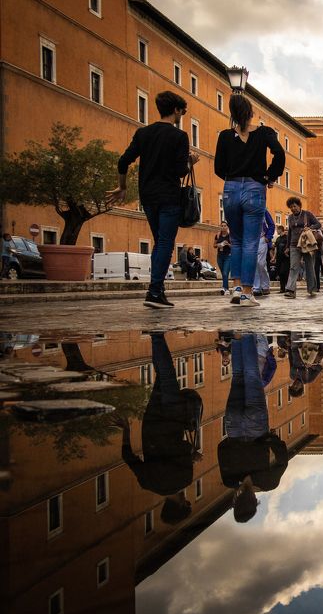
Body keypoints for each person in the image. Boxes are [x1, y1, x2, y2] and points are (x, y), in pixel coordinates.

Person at [109, 90, 197, 309]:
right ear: (176, 110)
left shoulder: (143, 133)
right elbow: (179, 171)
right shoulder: (179, 136)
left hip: (147, 196)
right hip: (168, 196)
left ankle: (157, 291)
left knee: (160, 242)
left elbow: (123, 161)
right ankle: (154, 292)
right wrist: (191, 162)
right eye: (182, 111)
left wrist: (122, 186)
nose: (182, 115)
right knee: (165, 243)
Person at [115, 332, 199, 524]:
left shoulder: (184, 479)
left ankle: (157, 334)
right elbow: (128, 457)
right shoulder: (148, 483)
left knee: (168, 373)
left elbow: (184, 448)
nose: (187, 500)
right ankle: (156, 337)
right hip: (151, 422)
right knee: (162, 375)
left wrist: (192, 454)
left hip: (172, 418)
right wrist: (126, 430)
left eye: (186, 503)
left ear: (179, 505)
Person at [210, 94, 285, 307]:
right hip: (254, 188)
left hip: (231, 189)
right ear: (251, 113)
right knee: (251, 242)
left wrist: (233, 176)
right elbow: (279, 153)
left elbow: (218, 168)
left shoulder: (225, 136)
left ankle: (235, 286)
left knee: (237, 240)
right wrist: (269, 176)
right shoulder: (264, 133)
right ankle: (247, 292)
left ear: (232, 114)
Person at [218, 333, 289, 523]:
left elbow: (283, 460)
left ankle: (247, 331)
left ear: (254, 502)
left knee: (250, 374)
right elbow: (221, 450)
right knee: (239, 376)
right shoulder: (230, 481)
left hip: (256, 430)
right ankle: (236, 337)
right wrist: (231, 440)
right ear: (235, 502)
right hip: (234, 428)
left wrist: (270, 439)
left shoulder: (268, 483)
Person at [284, 197, 322, 299]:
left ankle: (312, 289)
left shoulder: (307, 214)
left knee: (309, 267)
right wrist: (287, 247)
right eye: (291, 207)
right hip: (293, 245)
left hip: (306, 244)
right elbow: (290, 233)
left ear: (299, 206)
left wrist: (310, 227)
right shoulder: (290, 217)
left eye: (295, 206)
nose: (293, 208)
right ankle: (291, 290)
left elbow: (318, 224)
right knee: (293, 267)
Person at [253, 210, 274, 296]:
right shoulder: (246, 209)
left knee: (260, 263)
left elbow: (271, 224)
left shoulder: (263, 210)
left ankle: (265, 285)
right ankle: (257, 287)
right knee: (254, 264)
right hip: (251, 240)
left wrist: (268, 237)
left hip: (262, 239)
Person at [215, 222, 233, 295]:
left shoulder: (230, 236)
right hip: (219, 256)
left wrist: (228, 244)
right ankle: (226, 289)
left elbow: (234, 246)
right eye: (222, 226)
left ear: (227, 227)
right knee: (223, 273)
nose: (223, 227)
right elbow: (214, 245)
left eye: (224, 226)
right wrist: (218, 245)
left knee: (225, 273)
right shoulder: (218, 235)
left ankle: (224, 288)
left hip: (228, 256)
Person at [273, 225, 290, 293]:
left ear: (281, 230)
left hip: (285, 258)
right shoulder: (278, 239)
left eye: (277, 230)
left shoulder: (287, 238)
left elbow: (289, 246)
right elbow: (276, 249)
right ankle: (282, 288)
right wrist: (274, 257)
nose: (277, 231)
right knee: (280, 273)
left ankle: (287, 287)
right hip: (279, 258)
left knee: (285, 273)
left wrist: (287, 253)